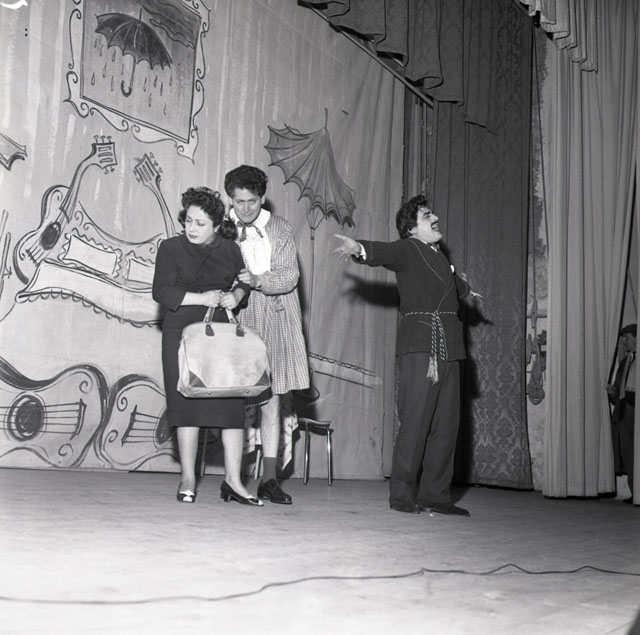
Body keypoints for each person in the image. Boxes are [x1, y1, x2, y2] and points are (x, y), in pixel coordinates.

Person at [333, 195, 480, 516]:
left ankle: (435, 495)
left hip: (450, 347)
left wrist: (466, 290)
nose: (435, 217)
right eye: (427, 215)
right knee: (416, 420)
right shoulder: (409, 248)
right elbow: (386, 252)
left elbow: (451, 283)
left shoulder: (438, 256)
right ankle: (401, 494)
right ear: (412, 228)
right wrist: (359, 249)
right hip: (421, 345)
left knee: (446, 425)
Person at [152, 186, 262, 506]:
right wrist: (202, 298)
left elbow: (243, 281)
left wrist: (236, 295)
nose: (192, 228)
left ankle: (233, 481)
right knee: (185, 403)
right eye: (188, 220)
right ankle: (188, 478)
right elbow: (162, 291)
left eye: (200, 223)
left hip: (220, 332)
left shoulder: (230, 250)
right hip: (181, 331)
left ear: (216, 225)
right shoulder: (171, 248)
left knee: (231, 406)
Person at [224, 165, 310, 504]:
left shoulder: (279, 228)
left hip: (275, 317)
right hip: (238, 317)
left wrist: (258, 280)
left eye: (252, 201)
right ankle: (232, 478)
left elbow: (290, 276)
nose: (245, 208)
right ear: (230, 199)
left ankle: (269, 479)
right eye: (239, 201)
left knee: (271, 401)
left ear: (262, 198)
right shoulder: (223, 229)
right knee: (233, 399)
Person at [606, 323, 636, 503]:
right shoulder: (626, 361)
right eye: (624, 338)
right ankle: (635, 491)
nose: (625, 342)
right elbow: (620, 387)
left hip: (635, 407)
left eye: (628, 338)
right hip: (625, 409)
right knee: (627, 451)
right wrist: (613, 392)